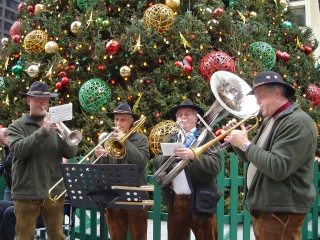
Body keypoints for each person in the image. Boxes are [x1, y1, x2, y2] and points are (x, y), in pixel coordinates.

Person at [224, 71, 318, 240]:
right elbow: (255, 158)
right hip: (269, 209)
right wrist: (236, 142)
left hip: (282, 210)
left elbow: (278, 167)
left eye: (261, 97)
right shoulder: (271, 120)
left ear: (277, 93)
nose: (257, 102)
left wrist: (245, 143)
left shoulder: (297, 122)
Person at [8, 81, 78, 240]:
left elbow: (71, 151)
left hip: (53, 191)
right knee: (24, 236)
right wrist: (43, 131)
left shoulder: (55, 125)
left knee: (57, 235)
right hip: (27, 192)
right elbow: (19, 151)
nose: (42, 103)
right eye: (37, 99)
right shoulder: (16, 126)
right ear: (28, 101)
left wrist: (61, 134)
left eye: (45, 100)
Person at [153, 99, 222, 240]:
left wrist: (193, 156)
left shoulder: (207, 136)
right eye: (180, 115)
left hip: (200, 199)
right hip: (175, 199)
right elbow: (156, 162)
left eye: (187, 114)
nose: (183, 117)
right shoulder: (170, 139)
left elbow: (216, 166)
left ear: (197, 118)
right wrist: (169, 155)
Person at [93, 102, 150, 240]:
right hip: (114, 197)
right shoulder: (108, 139)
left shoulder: (141, 139)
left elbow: (141, 162)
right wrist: (98, 156)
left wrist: (125, 141)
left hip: (136, 198)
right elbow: (100, 169)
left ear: (131, 121)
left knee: (139, 236)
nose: (118, 123)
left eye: (122, 120)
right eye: (116, 119)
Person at [0, 127, 13, 201]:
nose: (0, 142)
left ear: (8, 136)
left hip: (18, 186)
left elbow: (9, 163)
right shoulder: (4, 148)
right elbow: (4, 164)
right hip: (8, 185)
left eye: (1, 140)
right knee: (3, 208)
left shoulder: (16, 146)